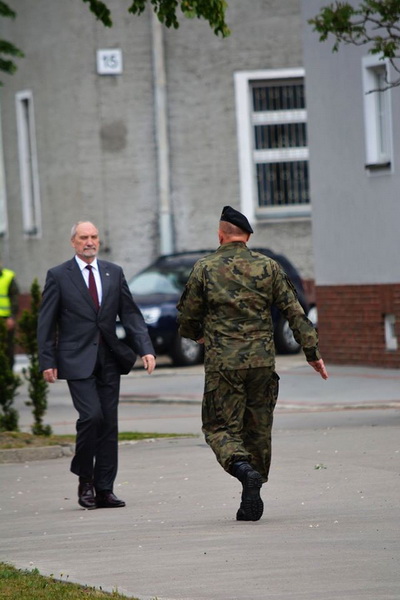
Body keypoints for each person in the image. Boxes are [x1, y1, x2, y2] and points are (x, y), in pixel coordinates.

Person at [177, 206, 328, 522]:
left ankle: (244, 471)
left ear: (221, 235)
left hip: (224, 365)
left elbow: (188, 318)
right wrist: (312, 353)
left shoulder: (204, 268)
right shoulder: (268, 267)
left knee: (218, 426)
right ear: (246, 237)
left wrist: (198, 335)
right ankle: (252, 490)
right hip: (262, 362)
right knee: (257, 428)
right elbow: (294, 312)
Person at [37, 221, 156, 510]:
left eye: (93, 237)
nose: (89, 242)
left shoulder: (113, 273)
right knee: (91, 417)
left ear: (98, 241)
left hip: (109, 359)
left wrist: (145, 349)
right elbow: (46, 322)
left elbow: (130, 313)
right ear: (73, 242)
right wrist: (47, 360)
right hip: (75, 359)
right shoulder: (58, 276)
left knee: (109, 424)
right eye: (83, 238)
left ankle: (104, 489)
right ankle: (85, 479)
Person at [0, 262, 20, 369]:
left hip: (5, 319)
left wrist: (12, 317)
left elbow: (14, 299)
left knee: (8, 348)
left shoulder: (8, 276)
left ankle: (8, 376)